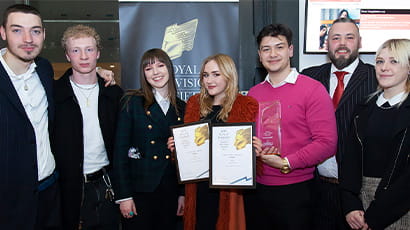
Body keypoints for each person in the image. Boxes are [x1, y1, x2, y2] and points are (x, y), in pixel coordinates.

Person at [244, 23, 338, 230]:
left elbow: (327, 143)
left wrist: (286, 162)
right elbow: (246, 138)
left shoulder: (312, 89)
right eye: (266, 49)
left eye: (279, 47)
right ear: (259, 55)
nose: (273, 54)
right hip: (257, 189)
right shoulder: (253, 94)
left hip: (297, 191)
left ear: (290, 50)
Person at [301, 17, 378, 230]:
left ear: (360, 42)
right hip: (316, 190)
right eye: (335, 38)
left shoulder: (377, 78)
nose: (342, 43)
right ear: (327, 44)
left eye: (349, 37)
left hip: (360, 196)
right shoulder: (309, 78)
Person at [167, 53, 259, 230]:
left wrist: (254, 150)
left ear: (229, 75)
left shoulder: (245, 105)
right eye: (205, 75)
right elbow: (189, 152)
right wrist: (177, 149)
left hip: (229, 190)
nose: (209, 80)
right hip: (199, 189)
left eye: (216, 74)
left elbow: (247, 158)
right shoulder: (194, 104)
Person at [52, 24, 123, 230]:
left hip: (107, 183)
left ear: (98, 53)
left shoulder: (114, 94)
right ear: (67, 55)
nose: (83, 56)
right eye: (76, 50)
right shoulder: (54, 95)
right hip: (69, 187)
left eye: (89, 49)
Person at [0, 4, 61, 229]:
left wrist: (97, 71)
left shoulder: (44, 69)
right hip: (8, 201)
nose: (28, 38)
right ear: (3, 32)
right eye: (17, 30)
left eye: (35, 31)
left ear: (44, 34)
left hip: (49, 191)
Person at [340, 38, 410, 230]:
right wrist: (350, 205)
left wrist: (375, 216)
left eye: (394, 61)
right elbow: (349, 160)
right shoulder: (363, 107)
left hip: (400, 207)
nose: (384, 67)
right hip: (359, 208)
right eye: (380, 61)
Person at [113, 48, 185, 230]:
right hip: (139, 191)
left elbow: (185, 159)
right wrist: (124, 197)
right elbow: (120, 153)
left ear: (169, 68)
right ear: (143, 74)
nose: (156, 72)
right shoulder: (132, 102)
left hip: (170, 190)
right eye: (149, 68)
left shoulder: (182, 107)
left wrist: (182, 194)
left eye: (160, 66)